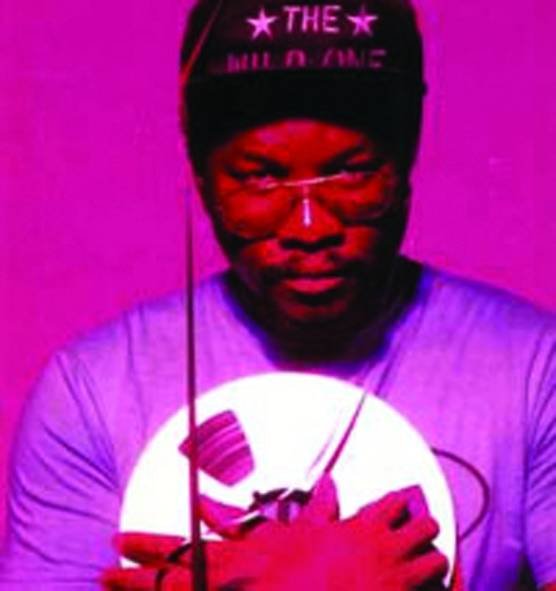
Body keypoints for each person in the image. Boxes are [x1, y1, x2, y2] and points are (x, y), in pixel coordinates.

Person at [1, 0, 555, 589]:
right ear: (203, 182)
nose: (310, 227)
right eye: (260, 177)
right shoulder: (93, 390)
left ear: (404, 166)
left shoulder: (533, 367)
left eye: (351, 171)